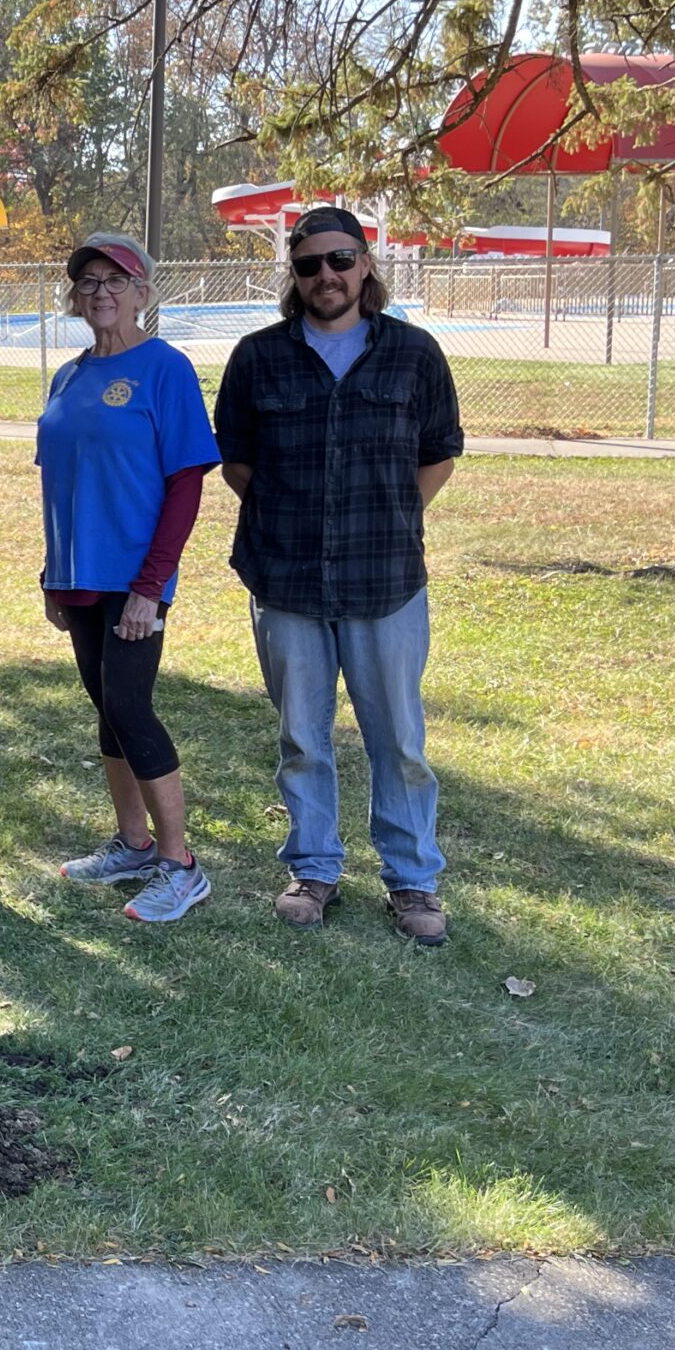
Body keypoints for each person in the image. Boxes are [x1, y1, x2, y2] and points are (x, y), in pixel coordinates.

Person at [214, 206, 464, 946]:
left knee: (401, 740)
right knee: (302, 737)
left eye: (341, 260)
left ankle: (413, 879)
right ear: (293, 276)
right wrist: (295, 516)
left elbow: (439, 449)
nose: (327, 275)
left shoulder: (413, 354)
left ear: (366, 265)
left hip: (384, 579)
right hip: (284, 577)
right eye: (310, 264)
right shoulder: (258, 358)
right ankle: (314, 868)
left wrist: (390, 516)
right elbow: (236, 458)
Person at [36, 235, 220, 924]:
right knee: (108, 711)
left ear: (144, 293)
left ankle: (180, 865)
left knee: (133, 708)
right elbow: (61, 479)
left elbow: (184, 487)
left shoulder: (165, 369)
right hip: (79, 576)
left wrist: (151, 585)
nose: (102, 290)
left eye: (117, 279)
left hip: (134, 579)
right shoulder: (68, 375)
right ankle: (134, 844)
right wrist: (54, 572)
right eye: (89, 280)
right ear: (75, 296)